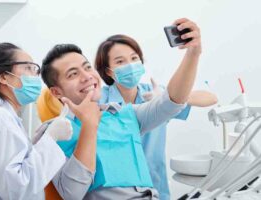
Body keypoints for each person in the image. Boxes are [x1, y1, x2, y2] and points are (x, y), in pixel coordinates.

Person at [39, 17, 202, 200]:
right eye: (73, 74)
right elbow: (71, 193)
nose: (87, 77)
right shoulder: (52, 132)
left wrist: (193, 53)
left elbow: (171, 102)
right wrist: (89, 126)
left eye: (87, 68)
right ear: (56, 92)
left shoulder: (123, 113)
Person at [95, 34, 217, 200]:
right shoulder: (100, 100)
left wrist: (166, 100)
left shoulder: (154, 93)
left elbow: (210, 97)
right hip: (116, 192)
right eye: (120, 61)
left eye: (134, 58)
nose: (130, 65)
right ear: (109, 71)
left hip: (155, 187)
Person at [0, 42, 71, 200]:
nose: (35, 76)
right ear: (4, 77)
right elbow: (18, 190)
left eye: (35, 70)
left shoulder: (2, 114)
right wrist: (51, 139)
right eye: (28, 67)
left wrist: (35, 146)